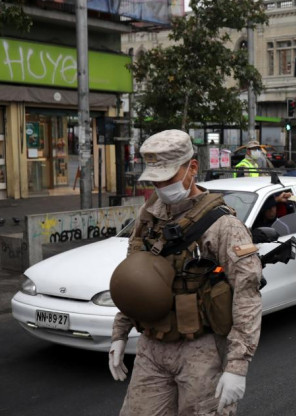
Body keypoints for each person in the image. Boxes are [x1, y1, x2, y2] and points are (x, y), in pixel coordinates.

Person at [108, 129, 263, 415]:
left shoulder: (222, 225)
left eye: (168, 177)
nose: (162, 185)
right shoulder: (148, 217)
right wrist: (120, 332)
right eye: (156, 179)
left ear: (192, 167)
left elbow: (247, 294)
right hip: (151, 347)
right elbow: (136, 281)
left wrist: (238, 366)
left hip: (201, 351)